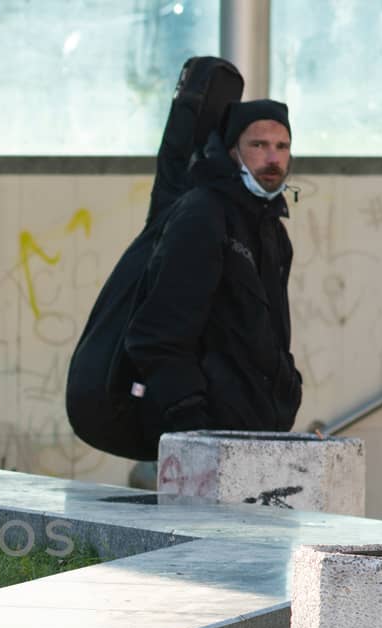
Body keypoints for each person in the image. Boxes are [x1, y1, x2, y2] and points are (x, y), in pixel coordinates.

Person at [122, 98, 302, 445]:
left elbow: (271, 332)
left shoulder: (272, 228)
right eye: (258, 145)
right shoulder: (204, 215)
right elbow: (154, 333)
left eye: (282, 147)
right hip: (207, 434)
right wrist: (189, 415)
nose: (272, 158)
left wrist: (287, 389)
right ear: (233, 151)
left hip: (258, 429)